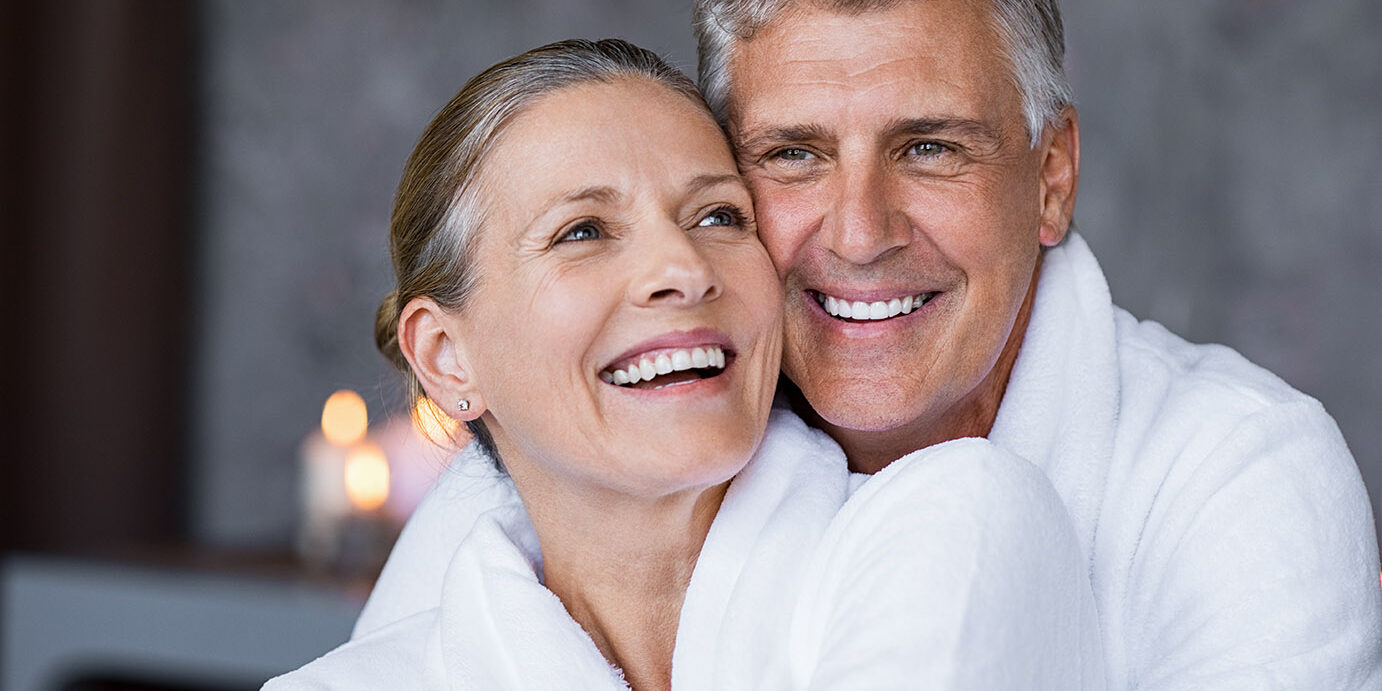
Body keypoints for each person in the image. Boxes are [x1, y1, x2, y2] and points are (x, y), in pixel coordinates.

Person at [357, 1, 1382, 689]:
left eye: (929, 148)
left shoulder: (1240, 478)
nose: (858, 232)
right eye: (791, 156)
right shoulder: (567, 476)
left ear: (1051, 175)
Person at [267, 38, 1103, 689]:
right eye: (584, 231)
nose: (684, 268)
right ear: (447, 358)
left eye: (718, 215)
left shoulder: (964, 525)